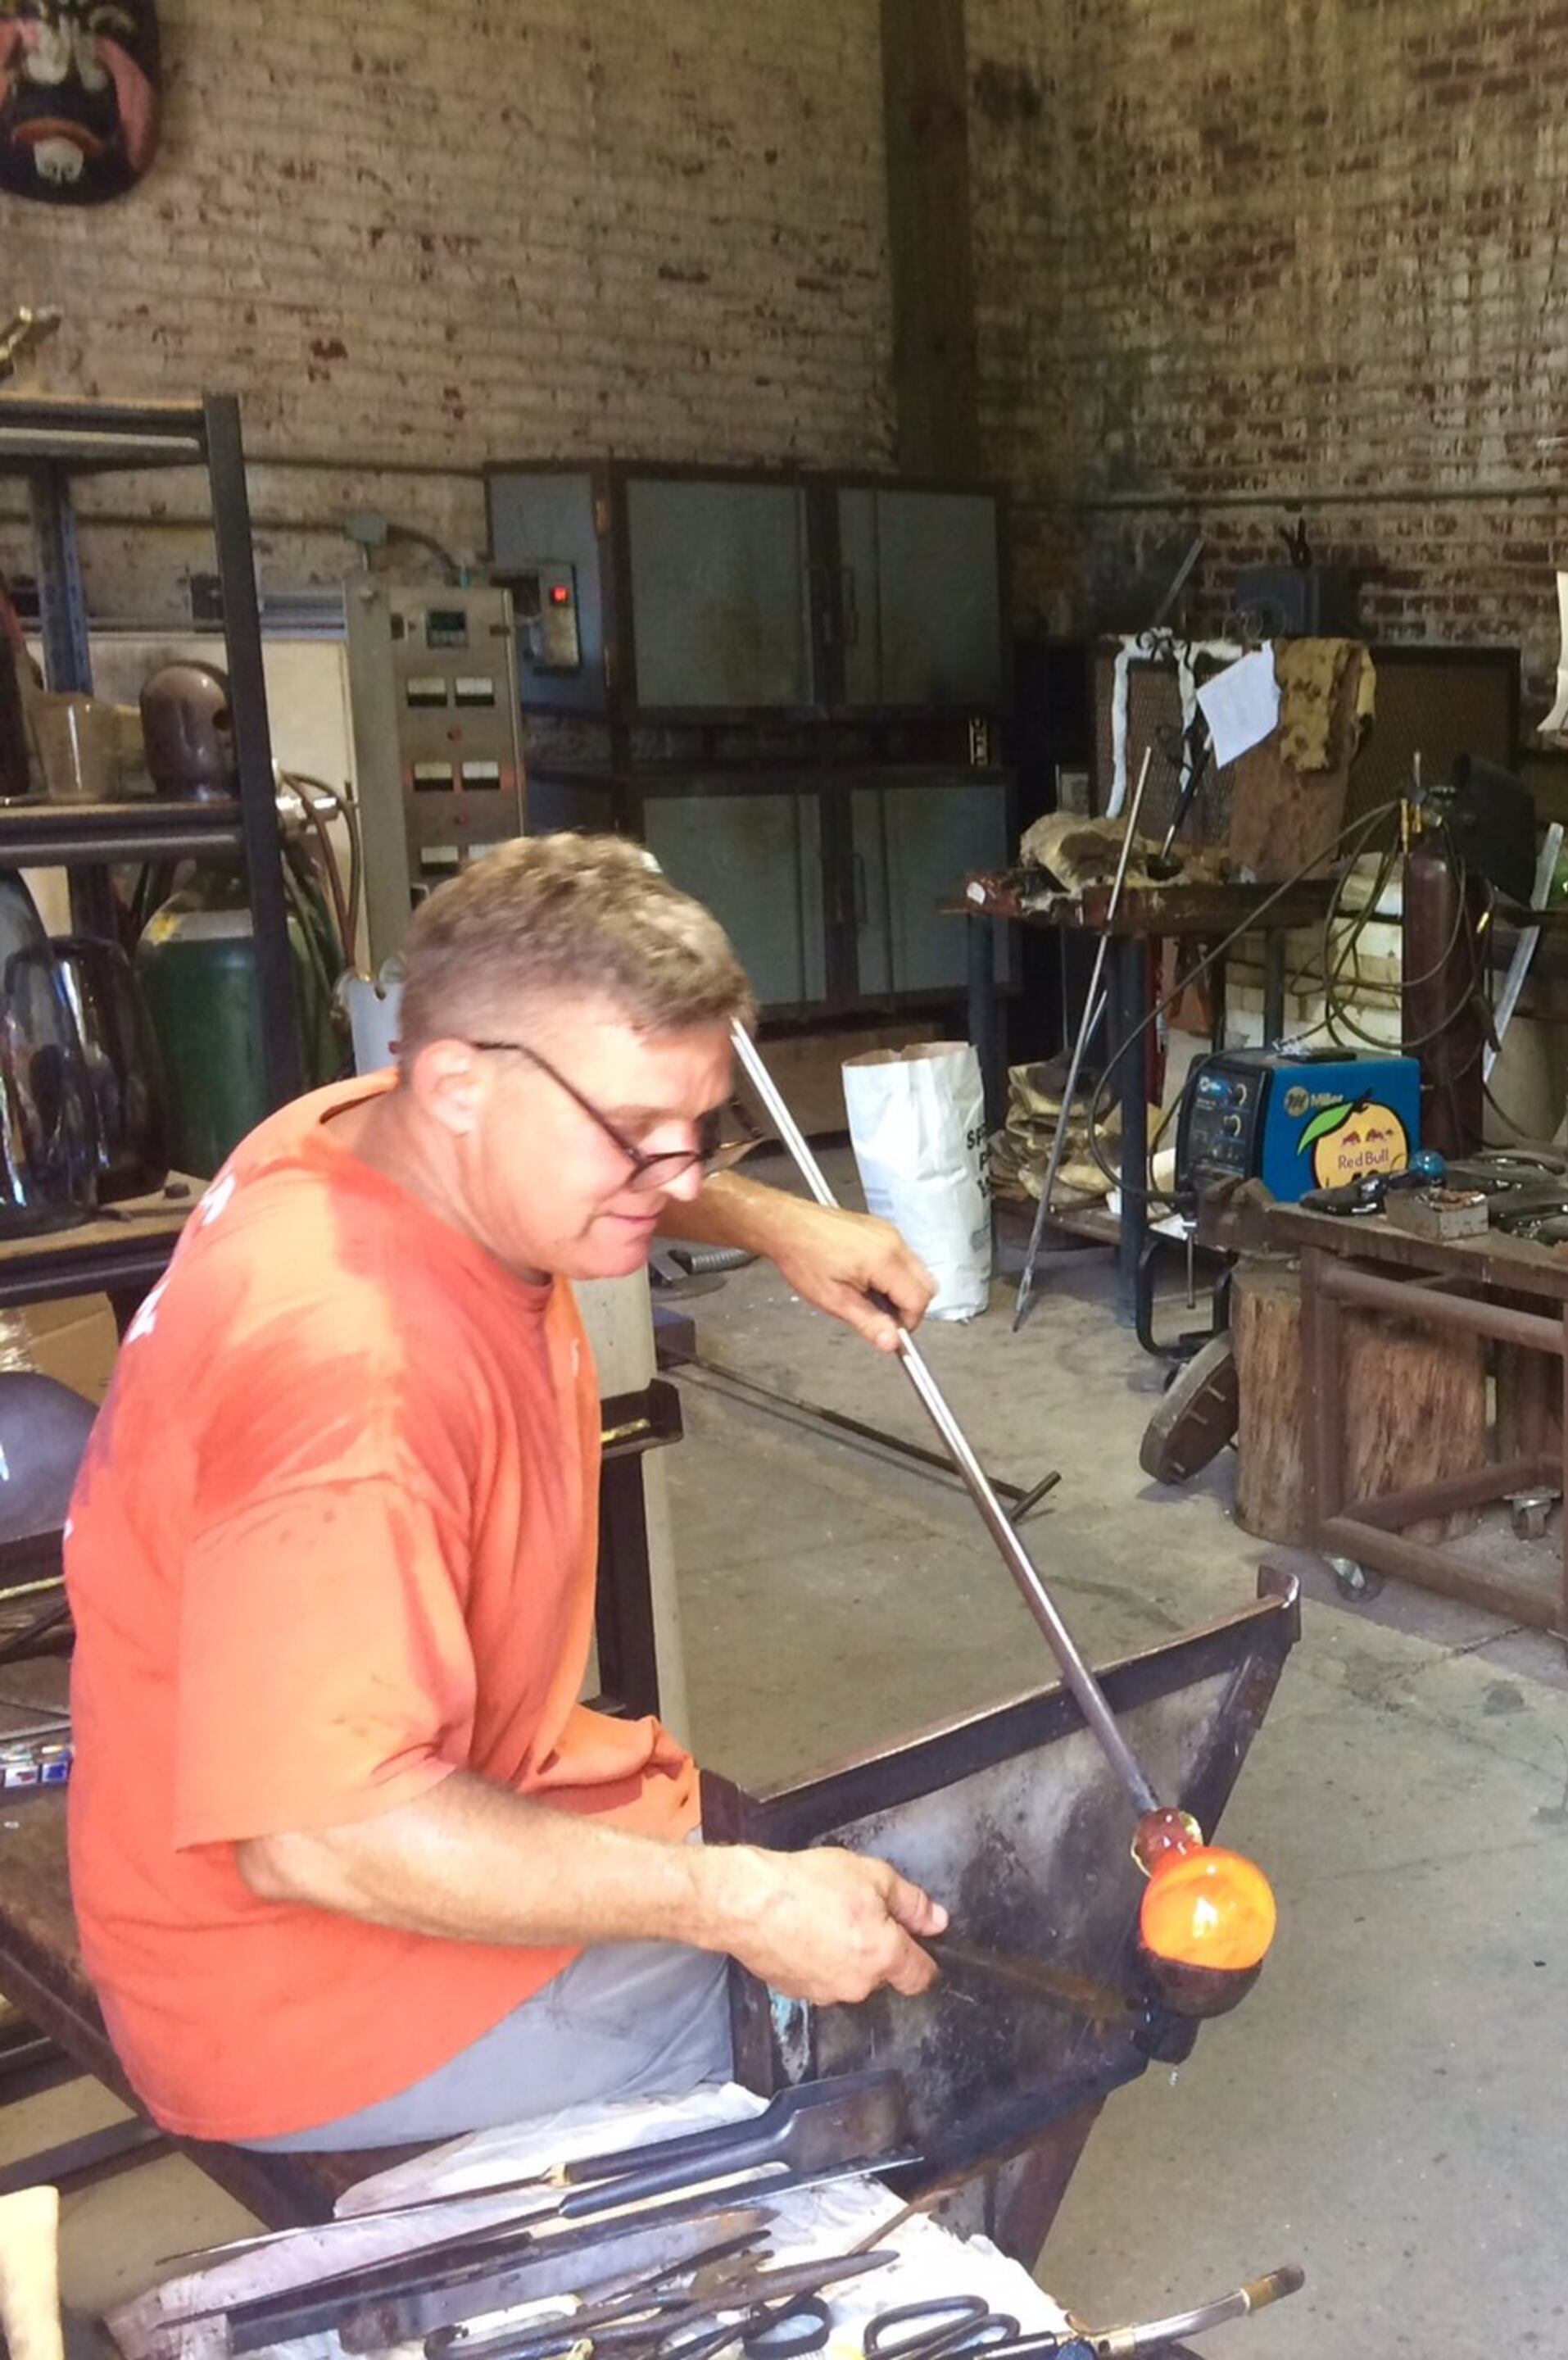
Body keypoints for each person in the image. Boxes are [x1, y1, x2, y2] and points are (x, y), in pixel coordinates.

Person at [66, 834, 956, 2152]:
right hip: (296, 1986)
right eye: (634, 1137)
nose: (680, 1173)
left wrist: (772, 1221)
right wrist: (731, 1904)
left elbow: (589, 1152)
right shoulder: (352, 1369)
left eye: (699, 1128)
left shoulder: (363, 1134)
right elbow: (316, 1836)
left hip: (358, 1815)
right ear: (457, 1084)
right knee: (875, 2022)